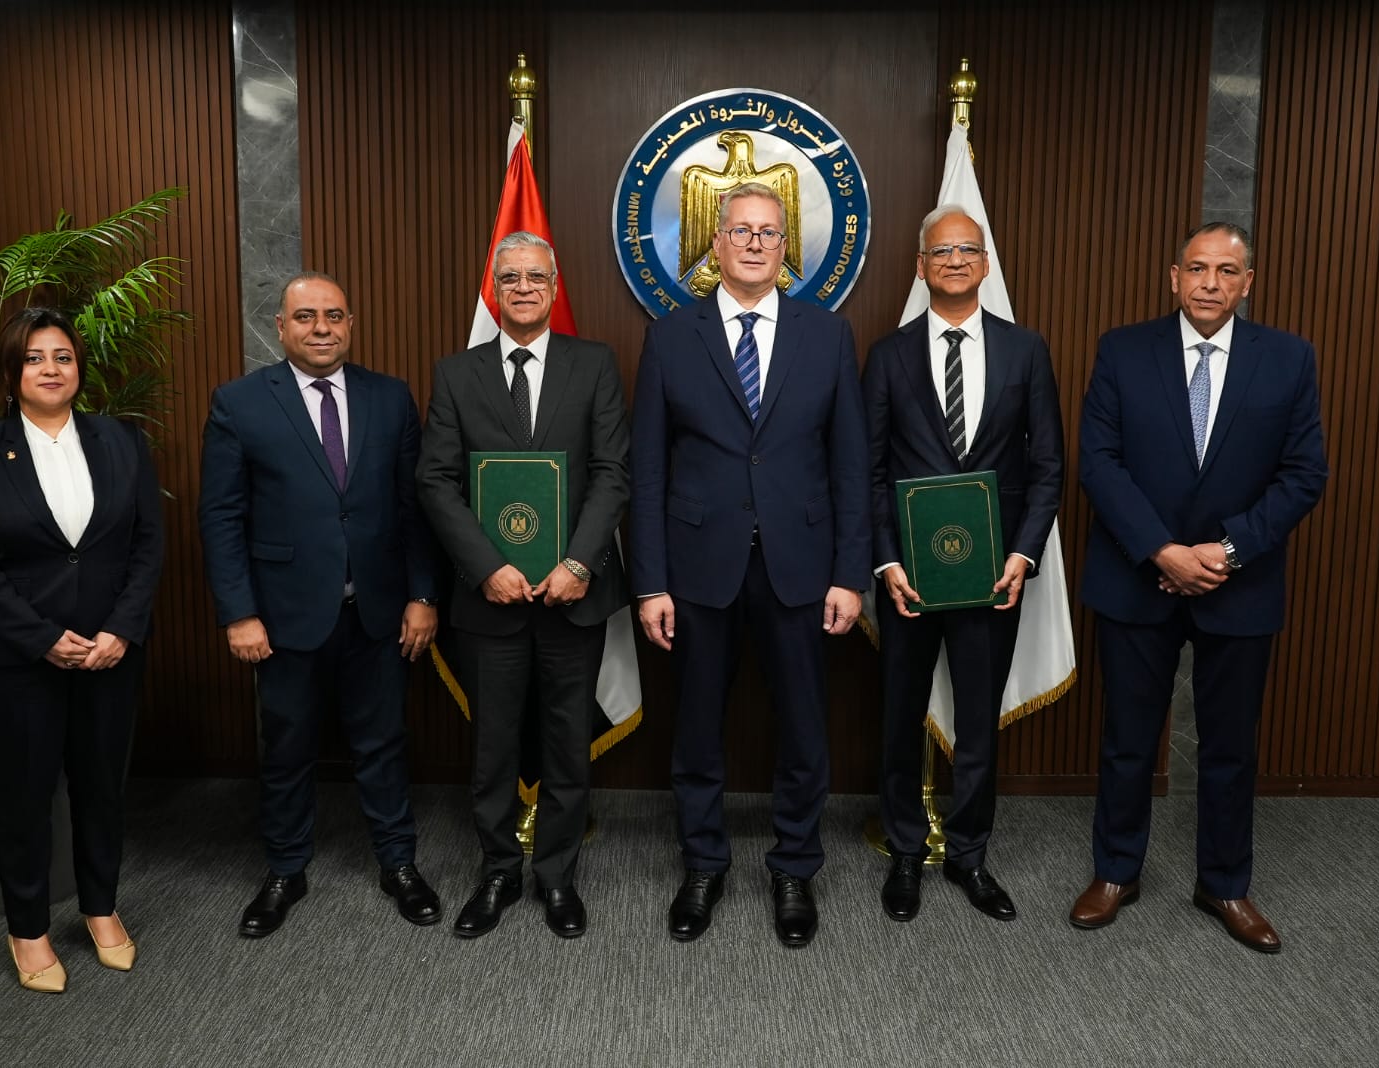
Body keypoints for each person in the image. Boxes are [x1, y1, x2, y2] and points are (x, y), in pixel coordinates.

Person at [1071, 223, 1327, 952]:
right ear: (1174, 276)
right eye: (1197, 268)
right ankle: (1116, 871)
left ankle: (1224, 883)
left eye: (1226, 271)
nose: (1210, 283)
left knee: (1230, 748)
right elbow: (1099, 462)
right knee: (1127, 741)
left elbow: (1304, 473)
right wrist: (1162, 550)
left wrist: (1228, 550)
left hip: (1238, 585)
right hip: (1136, 579)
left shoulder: (1289, 358)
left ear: (1248, 282)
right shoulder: (1123, 350)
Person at [629, 182, 869, 948]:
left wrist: (850, 574)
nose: (757, 243)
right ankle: (703, 864)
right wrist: (650, 582)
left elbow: (850, 465)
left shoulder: (828, 335)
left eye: (770, 232)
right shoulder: (671, 337)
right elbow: (648, 473)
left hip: (803, 566)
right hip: (699, 568)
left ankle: (794, 867)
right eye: (742, 231)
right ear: (717, 242)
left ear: (785, 247)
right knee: (698, 727)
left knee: (803, 726)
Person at [198, 271, 441, 938]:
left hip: (379, 612)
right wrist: (238, 612)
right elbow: (221, 517)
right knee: (287, 748)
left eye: (334, 315)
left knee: (384, 744)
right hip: (282, 618)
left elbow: (414, 508)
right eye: (306, 317)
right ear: (281, 328)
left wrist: (423, 594)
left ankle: (398, 863)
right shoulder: (240, 403)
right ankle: (285, 869)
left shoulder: (390, 398)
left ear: (351, 324)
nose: (322, 328)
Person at [416, 231, 630, 940]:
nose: (524, 288)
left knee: (567, 745)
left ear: (555, 284)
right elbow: (436, 480)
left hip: (575, 595)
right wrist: (487, 567)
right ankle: (499, 872)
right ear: (495, 289)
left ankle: (558, 877)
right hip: (490, 599)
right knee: (494, 747)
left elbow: (612, 473)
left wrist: (578, 564)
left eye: (536, 276)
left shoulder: (594, 364)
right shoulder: (456, 374)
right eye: (510, 278)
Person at [0, 307, 164, 992]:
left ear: (78, 368)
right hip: (18, 660)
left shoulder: (121, 440)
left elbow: (148, 543)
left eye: (63, 356)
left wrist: (121, 629)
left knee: (102, 790)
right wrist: (40, 637)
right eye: (35, 357)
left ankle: (100, 908)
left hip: (108, 653)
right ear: (13, 372)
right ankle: (29, 930)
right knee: (23, 798)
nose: (51, 369)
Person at [862, 206, 1065, 924]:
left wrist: (1022, 554)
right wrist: (886, 562)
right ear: (920, 267)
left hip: (992, 577)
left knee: (978, 722)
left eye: (967, 250)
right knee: (900, 718)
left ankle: (970, 855)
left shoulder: (1025, 349)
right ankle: (906, 853)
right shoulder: (887, 356)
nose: (954, 260)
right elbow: (869, 470)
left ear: (985, 264)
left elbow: (1047, 466)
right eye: (941, 251)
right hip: (909, 580)